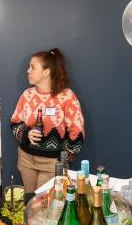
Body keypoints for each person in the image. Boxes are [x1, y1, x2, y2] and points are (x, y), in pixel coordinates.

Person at [10, 48, 85, 192]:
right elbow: (15, 122)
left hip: (53, 163)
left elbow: (77, 132)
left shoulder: (67, 97)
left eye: (32, 67)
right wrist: (26, 134)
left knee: (46, 205)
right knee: (30, 201)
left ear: (46, 72)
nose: (28, 71)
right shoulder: (27, 95)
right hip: (26, 160)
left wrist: (63, 159)